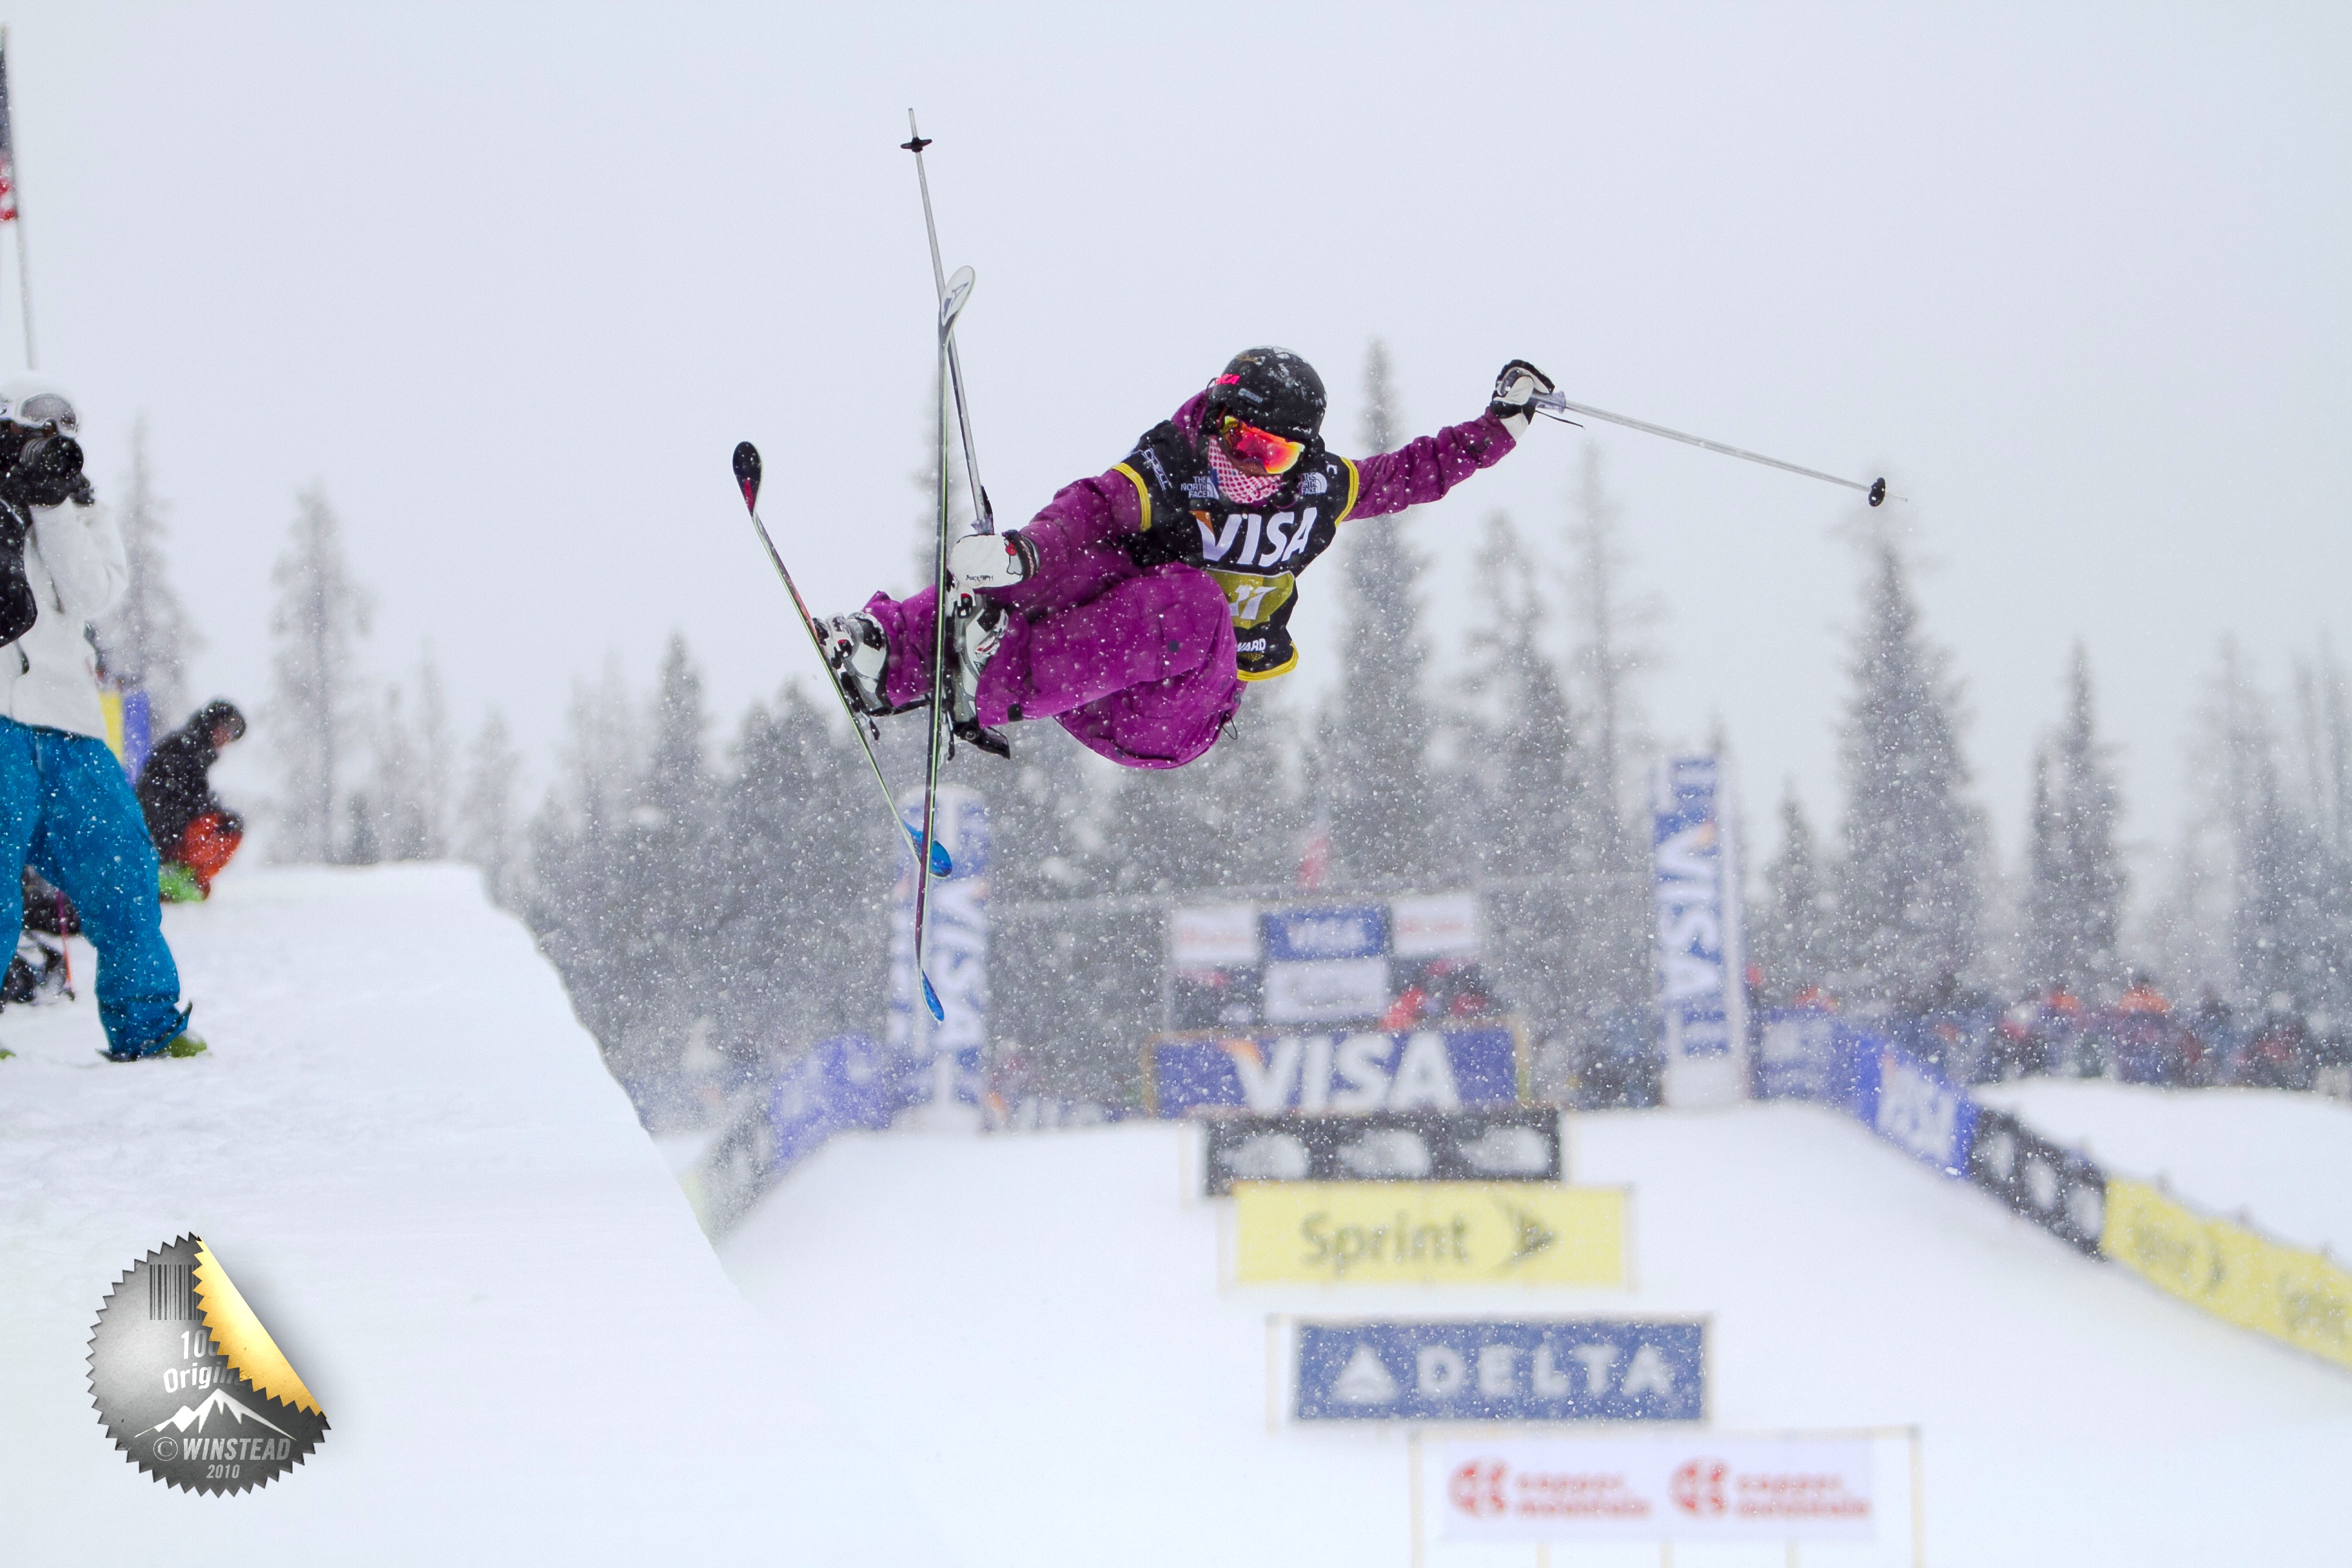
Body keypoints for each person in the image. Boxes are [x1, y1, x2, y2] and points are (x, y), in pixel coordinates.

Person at [821, 348, 1554, 769]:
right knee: (1086, 560)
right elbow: (1090, 509)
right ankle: (890, 655)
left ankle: (983, 687)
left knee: (1195, 603)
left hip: (1176, 712)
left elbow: (1414, 473)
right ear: (1213, 414)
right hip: (1095, 671)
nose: (1248, 464)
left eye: (1272, 453)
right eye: (1236, 437)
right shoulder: (1172, 469)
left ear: (1302, 457)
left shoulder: (1316, 492)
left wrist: (1501, 429)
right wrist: (1021, 554)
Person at [0, 374, 202, 1061]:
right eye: (32, 438)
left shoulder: (84, 512)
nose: (47, 452)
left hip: (69, 723)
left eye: (60, 441)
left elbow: (90, 592)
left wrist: (52, 506)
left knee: (122, 869)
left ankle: (147, 1023)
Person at [137, 698, 248, 901]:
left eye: (232, 733)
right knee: (229, 830)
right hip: (161, 829)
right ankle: (181, 875)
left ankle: (182, 875)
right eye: (226, 727)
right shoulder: (188, 749)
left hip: (160, 827)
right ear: (212, 723)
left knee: (226, 825)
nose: (226, 737)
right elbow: (186, 798)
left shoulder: (192, 748)